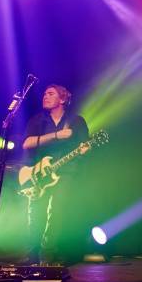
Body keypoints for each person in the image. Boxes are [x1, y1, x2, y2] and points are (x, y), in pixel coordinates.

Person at [22, 84, 89, 265]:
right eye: (44, 94)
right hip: (39, 173)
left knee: (56, 211)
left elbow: (85, 146)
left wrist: (84, 149)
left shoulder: (76, 121)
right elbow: (27, 143)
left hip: (66, 172)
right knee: (35, 214)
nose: (45, 96)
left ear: (62, 99)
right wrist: (57, 135)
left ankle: (48, 252)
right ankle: (33, 254)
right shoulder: (38, 120)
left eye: (50, 94)